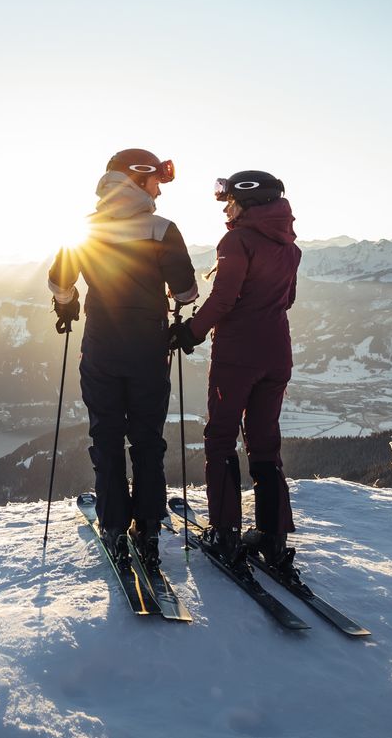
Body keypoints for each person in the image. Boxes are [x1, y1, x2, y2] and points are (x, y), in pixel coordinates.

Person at [49, 148, 198, 570]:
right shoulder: (161, 228)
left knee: (107, 437)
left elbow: (59, 282)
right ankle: (148, 525)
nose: (159, 192)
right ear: (137, 178)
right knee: (148, 440)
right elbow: (186, 292)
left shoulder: (85, 228)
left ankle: (115, 525)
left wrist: (67, 304)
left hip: (100, 347)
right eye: (156, 183)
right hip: (149, 349)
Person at [170, 170, 302, 577]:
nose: (226, 208)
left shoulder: (237, 241)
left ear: (249, 200)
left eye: (230, 201)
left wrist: (188, 332)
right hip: (277, 353)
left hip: (238, 356)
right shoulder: (290, 246)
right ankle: (273, 535)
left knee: (221, 438)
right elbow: (289, 299)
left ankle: (225, 532)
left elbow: (223, 300)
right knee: (265, 444)